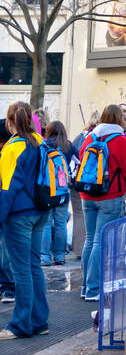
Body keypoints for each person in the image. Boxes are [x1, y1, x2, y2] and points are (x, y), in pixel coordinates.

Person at [0, 103, 51, 338]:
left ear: (10, 122)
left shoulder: (12, 148)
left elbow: (7, 188)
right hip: (41, 210)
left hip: (19, 214)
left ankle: (20, 324)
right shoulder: (39, 141)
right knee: (33, 267)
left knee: (20, 270)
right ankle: (39, 321)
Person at [78, 105, 126, 302]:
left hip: (87, 195)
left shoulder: (90, 137)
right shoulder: (120, 140)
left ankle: (86, 286)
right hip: (110, 196)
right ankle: (94, 289)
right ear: (118, 119)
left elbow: (82, 160)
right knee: (99, 241)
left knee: (89, 239)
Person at [40, 121, 75, 268]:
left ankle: (45, 257)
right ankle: (60, 256)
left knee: (46, 224)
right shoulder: (68, 147)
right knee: (61, 224)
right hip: (62, 191)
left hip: (47, 191)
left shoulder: (42, 146)